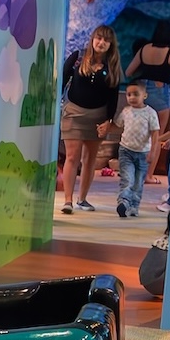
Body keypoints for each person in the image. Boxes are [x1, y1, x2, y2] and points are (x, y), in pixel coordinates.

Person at [58, 24, 118, 215]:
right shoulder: (78, 57)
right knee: (72, 156)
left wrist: (108, 120)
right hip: (74, 112)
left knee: (89, 159)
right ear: (93, 39)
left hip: (98, 115)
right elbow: (62, 78)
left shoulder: (112, 66)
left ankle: (82, 199)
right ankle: (67, 200)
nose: (101, 43)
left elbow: (113, 95)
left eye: (106, 40)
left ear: (111, 45)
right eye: (99, 38)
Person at [125, 15, 170, 125]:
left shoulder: (144, 48)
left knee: (140, 132)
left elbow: (128, 72)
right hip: (160, 92)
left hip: (140, 91)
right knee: (157, 136)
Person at [112, 83, 159, 217]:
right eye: (129, 94)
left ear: (145, 95)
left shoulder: (150, 113)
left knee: (138, 182)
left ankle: (134, 206)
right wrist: (107, 127)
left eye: (136, 94)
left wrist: (153, 152)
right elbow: (117, 125)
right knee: (127, 178)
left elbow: (155, 133)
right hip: (126, 150)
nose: (132, 97)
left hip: (143, 153)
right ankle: (124, 201)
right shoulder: (126, 111)